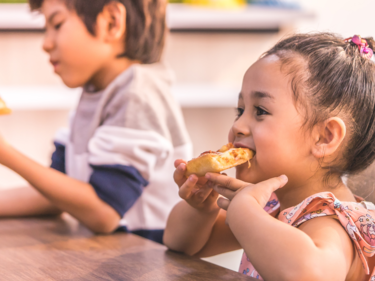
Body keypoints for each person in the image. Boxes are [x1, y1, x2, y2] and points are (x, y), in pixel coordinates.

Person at [163, 33, 375, 280]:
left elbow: (310, 274)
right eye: (240, 110)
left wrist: (244, 212)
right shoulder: (271, 206)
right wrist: (202, 209)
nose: (238, 126)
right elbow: (182, 244)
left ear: (324, 138)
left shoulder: (333, 222)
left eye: (260, 111)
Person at [0, 0, 191, 244]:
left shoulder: (137, 95)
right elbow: (54, 194)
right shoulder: (98, 92)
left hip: (145, 261)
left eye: (57, 24)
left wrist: (5, 153)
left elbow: (104, 212)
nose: (46, 44)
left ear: (112, 22)